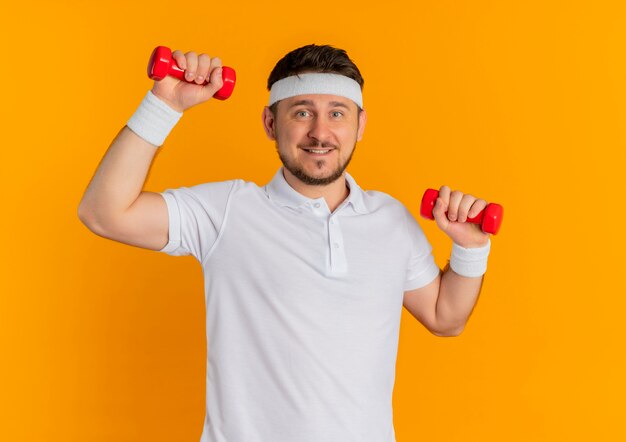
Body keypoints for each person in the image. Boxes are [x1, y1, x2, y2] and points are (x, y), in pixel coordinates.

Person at [78, 44, 493, 442]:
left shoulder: (391, 220)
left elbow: (445, 317)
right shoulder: (226, 211)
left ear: (360, 125)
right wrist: (164, 104)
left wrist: (470, 248)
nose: (320, 132)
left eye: (336, 112)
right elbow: (104, 212)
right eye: (301, 112)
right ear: (270, 124)